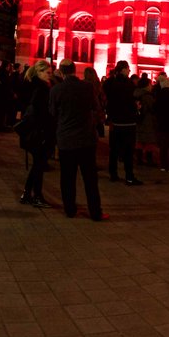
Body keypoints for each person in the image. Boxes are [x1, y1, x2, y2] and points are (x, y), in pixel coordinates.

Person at [50, 59, 106, 221]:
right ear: (75, 70)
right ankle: (95, 212)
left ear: (61, 72)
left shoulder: (56, 90)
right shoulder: (87, 87)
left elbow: (52, 113)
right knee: (90, 178)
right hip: (86, 139)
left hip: (66, 139)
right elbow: (97, 108)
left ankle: (70, 209)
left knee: (67, 177)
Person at [18, 60, 56, 207]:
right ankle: (36, 196)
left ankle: (27, 194)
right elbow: (41, 113)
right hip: (40, 133)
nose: (49, 76)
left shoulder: (30, 85)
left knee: (37, 165)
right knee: (39, 165)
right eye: (47, 73)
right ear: (39, 72)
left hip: (33, 133)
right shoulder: (41, 89)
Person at [103, 61, 140, 184]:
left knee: (114, 149)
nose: (129, 71)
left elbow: (106, 90)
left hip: (115, 120)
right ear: (123, 69)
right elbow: (132, 98)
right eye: (128, 69)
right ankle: (129, 176)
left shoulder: (110, 82)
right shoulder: (127, 83)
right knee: (128, 151)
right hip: (128, 121)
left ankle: (113, 174)